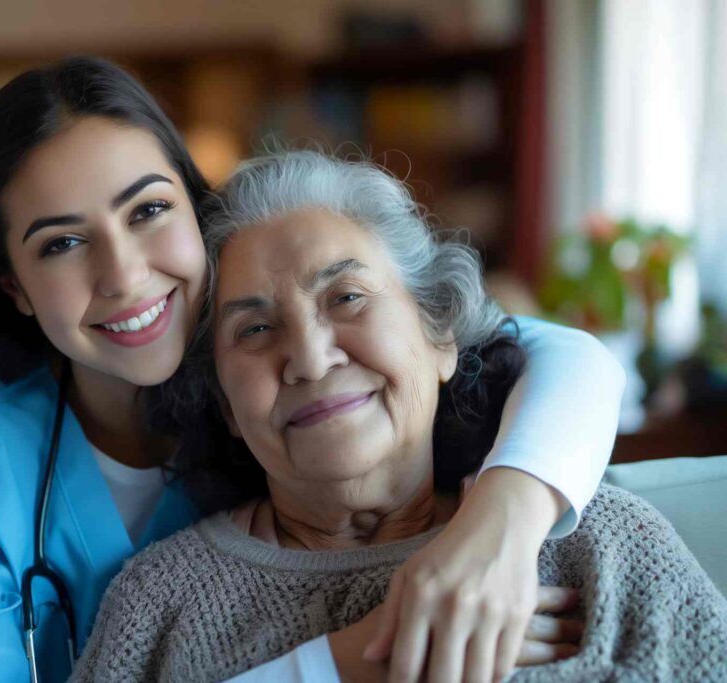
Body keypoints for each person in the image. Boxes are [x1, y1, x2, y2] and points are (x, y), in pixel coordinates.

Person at [0, 58, 626, 682]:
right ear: (15, 288)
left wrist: (503, 523)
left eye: (147, 211)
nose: (123, 274)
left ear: (198, 213)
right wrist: (351, 661)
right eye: (61, 243)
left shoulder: (273, 388)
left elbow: (564, 357)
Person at [72, 150, 727, 683]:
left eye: (347, 296)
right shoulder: (160, 604)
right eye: (256, 328)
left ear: (441, 333)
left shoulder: (599, 545)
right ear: (228, 409)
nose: (309, 355)